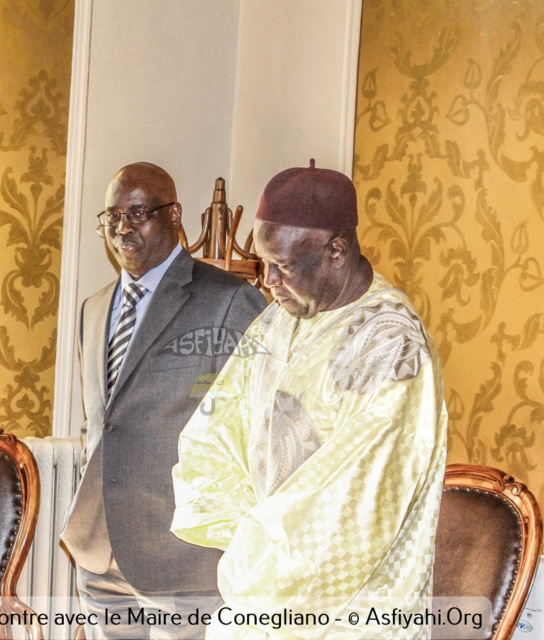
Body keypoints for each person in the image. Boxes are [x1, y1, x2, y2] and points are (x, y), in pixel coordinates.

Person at [171, 161, 448, 639]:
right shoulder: (280, 318)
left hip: (352, 611)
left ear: (336, 250)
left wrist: (264, 563)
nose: (268, 283)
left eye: (282, 267)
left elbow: (354, 506)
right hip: (264, 588)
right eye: (264, 265)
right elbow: (213, 430)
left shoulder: (390, 345)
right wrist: (251, 543)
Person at [60, 162, 267, 639]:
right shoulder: (93, 308)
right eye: (112, 215)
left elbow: (258, 427)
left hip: (183, 551)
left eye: (138, 212)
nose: (122, 227)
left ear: (174, 215)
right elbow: (105, 423)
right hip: (99, 547)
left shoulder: (230, 302)